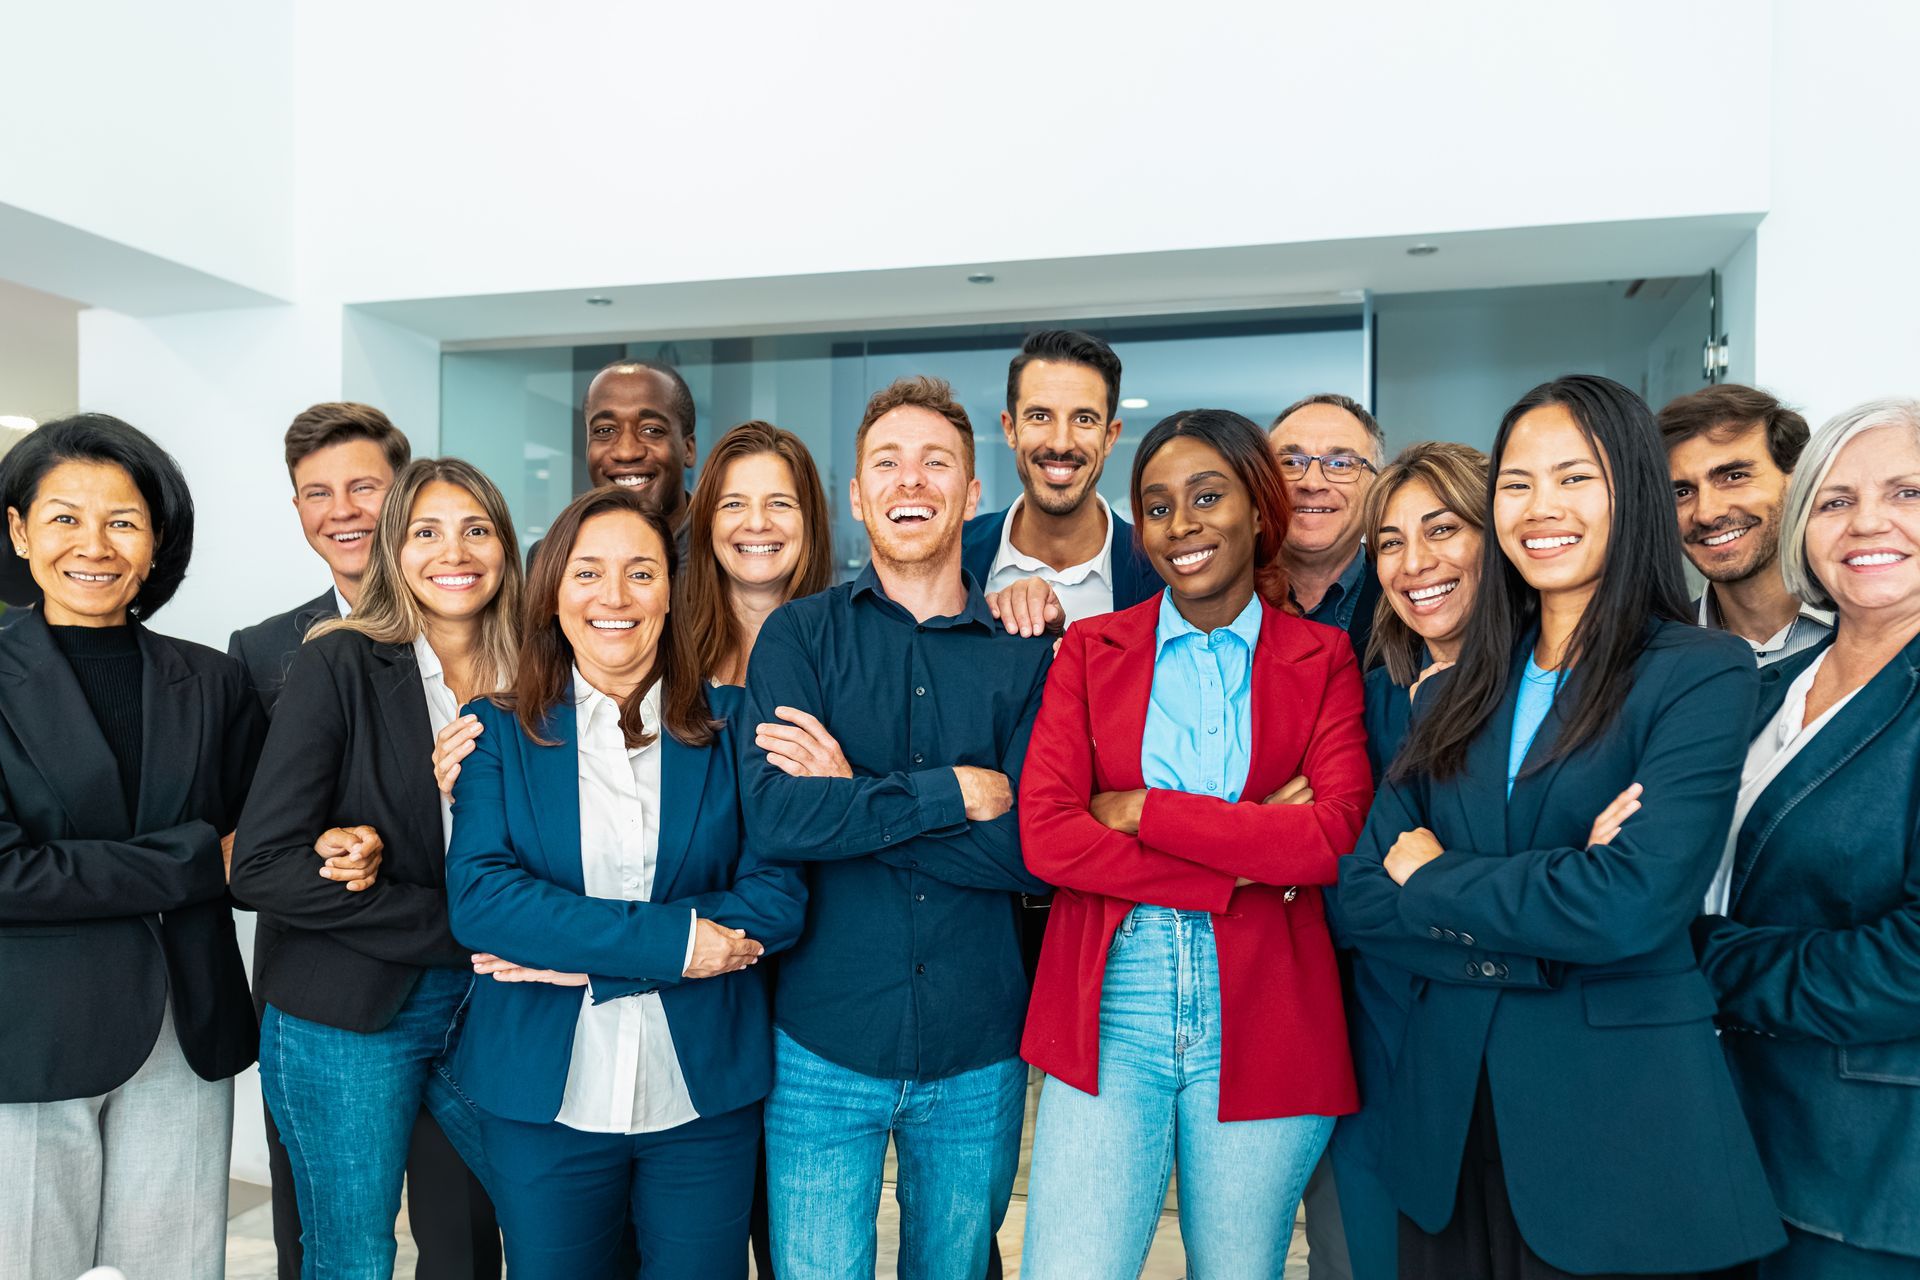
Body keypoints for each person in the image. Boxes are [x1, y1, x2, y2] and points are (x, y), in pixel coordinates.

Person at [1330, 374, 1783, 1278]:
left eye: (1575, 478)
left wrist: (1435, 876)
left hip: (1622, 1141)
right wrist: (1555, 890)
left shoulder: (1700, 672)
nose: (1542, 508)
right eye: (1518, 482)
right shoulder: (1453, 692)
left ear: (1633, 492)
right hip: (1452, 1138)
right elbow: (1357, 899)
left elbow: (1633, 906)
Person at [1016, 408, 1372, 1276]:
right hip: (1112, 998)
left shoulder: (1323, 659)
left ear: (1258, 509)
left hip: (1268, 1000)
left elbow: (1329, 838)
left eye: (1208, 497)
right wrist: (1244, 857)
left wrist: (1143, 810)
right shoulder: (1090, 652)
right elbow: (1048, 837)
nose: (1183, 526)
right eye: (1160, 506)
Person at [443, 485, 806, 1278]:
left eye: (641, 573)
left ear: (673, 593)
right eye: (587, 573)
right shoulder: (496, 729)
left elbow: (777, 896)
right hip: (544, 1094)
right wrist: (673, 942)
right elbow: (482, 899)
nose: (615, 597)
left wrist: (579, 953)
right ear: (552, 595)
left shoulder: (736, 722)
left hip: (704, 1092)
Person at [741, 375, 1055, 1279]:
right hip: (820, 1046)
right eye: (887, 462)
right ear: (855, 492)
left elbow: (1033, 849)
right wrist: (952, 792)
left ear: (973, 492)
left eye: (936, 463)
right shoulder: (798, 639)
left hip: (977, 1049)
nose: (910, 481)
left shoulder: (1024, 649)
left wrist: (857, 794)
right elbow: (780, 814)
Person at [226, 403, 499, 1280]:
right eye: (427, 531)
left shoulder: (541, 669)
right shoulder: (333, 657)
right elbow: (260, 858)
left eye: (474, 530)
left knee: (490, 1241)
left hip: (497, 1008)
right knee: (349, 1254)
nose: (451, 552)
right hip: (351, 1007)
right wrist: (464, 923)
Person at [0, 414, 265, 1280]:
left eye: (122, 521)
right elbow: (8, 876)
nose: (95, 544)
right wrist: (193, 860)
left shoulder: (214, 680)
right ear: (18, 530)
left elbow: (260, 843)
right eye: (64, 516)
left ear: (156, 542)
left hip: (186, 1029)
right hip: (32, 1036)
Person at [1693, 397, 1920, 1277]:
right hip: (1726, 1138)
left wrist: (1701, 959)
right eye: (1835, 500)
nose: (1868, 522)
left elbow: (1909, 963)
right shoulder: (1761, 686)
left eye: (1906, 493)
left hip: (1865, 1175)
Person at [1326, 440, 1492, 1280]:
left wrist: (1427, 881)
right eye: (1390, 541)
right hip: (1387, 1034)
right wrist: (1478, 900)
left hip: (1506, 1050)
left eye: (1443, 529)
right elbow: (1355, 896)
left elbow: (1585, 901)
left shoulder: (1557, 683)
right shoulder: (1382, 684)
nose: (1414, 563)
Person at [961, 329, 1161, 624]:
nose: (1060, 443)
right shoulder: (954, 556)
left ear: (1110, 437)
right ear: (1010, 429)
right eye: (1040, 416)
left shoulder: (1159, 565)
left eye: (1084, 419)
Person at [228, 402, 412, 715]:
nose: (342, 510)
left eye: (363, 487)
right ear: (298, 506)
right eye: (319, 494)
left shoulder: (462, 628)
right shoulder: (259, 651)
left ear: (406, 493)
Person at [1662, 384, 1832, 665]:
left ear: (1798, 479)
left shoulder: (1875, 626)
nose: (1706, 513)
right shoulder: (1656, 657)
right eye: (1682, 492)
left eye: (1734, 476)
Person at [524, 358, 698, 572]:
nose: (626, 452)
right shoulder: (551, 558)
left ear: (688, 449)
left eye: (651, 430)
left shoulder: (727, 555)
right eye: (605, 431)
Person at [1268, 393, 1385, 669]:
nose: (1312, 482)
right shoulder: (1222, 596)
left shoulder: (1409, 599)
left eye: (1340, 464)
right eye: (1291, 462)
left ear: (1378, 485)